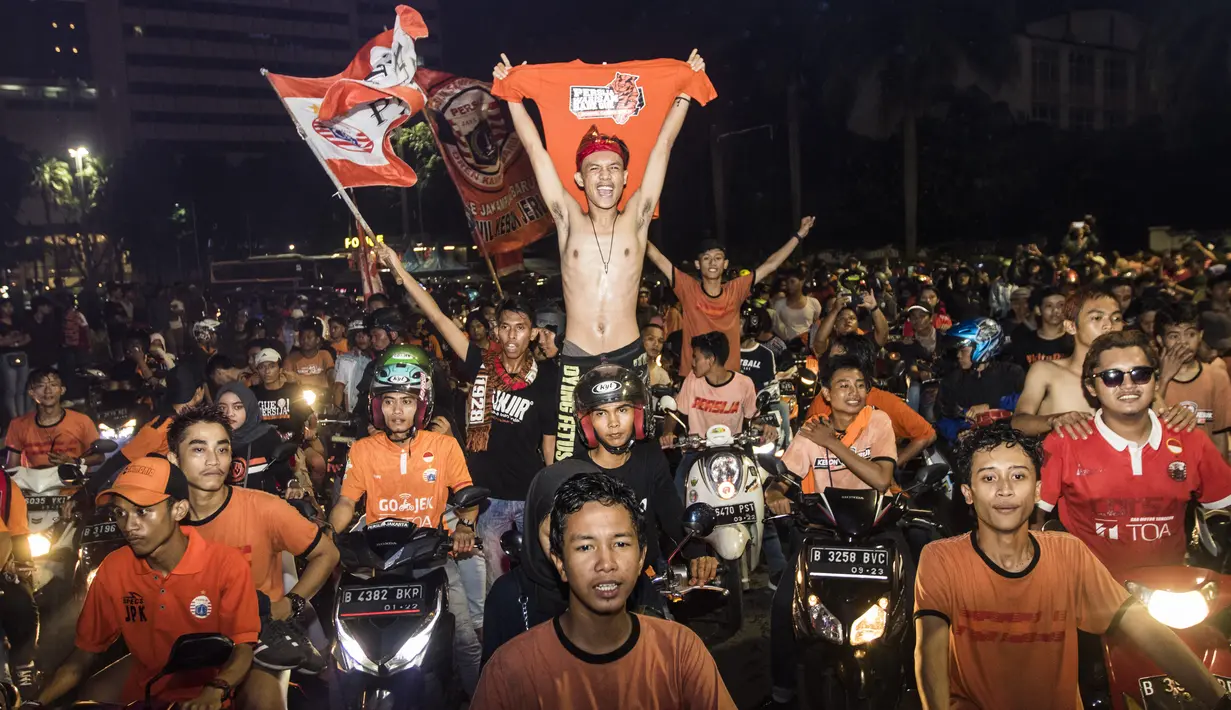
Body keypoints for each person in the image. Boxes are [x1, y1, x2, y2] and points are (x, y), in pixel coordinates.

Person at [493, 51, 712, 463]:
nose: (605, 176)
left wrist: (684, 91)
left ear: (627, 176)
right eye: (594, 169)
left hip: (630, 354)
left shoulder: (638, 219)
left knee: (641, 458)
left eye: (614, 168)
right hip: (577, 358)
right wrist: (512, 95)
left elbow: (663, 144)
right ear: (579, 178)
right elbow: (535, 149)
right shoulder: (567, 220)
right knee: (567, 459)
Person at [914, 425, 1231, 710]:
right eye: (988, 477)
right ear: (968, 494)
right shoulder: (942, 559)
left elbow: (1144, 628)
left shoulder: (1068, 554)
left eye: (1018, 475)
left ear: (1038, 490)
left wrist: (1219, 699)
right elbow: (930, 652)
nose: (1005, 489)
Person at [473, 472, 737, 709]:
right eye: (585, 547)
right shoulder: (509, 670)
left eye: (620, 543)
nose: (606, 563)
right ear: (560, 562)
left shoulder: (681, 652)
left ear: (641, 557)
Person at [375, 243, 558, 585]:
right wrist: (398, 271)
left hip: (529, 496)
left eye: (520, 327)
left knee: (539, 579)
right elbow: (438, 318)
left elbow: (550, 447)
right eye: (504, 327)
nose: (511, 335)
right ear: (496, 331)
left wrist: (551, 500)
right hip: (485, 500)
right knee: (497, 582)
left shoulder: (548, 378)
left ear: (532, 332)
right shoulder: (480, 364)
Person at [31, 457, 260, 709]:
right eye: (120, 513)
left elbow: (243, 647)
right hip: (144, 697)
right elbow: (84, 655)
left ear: (179, 510)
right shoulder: (114, 568)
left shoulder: (226, 564)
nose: (129, 526)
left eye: (142, 511)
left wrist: (216, 690)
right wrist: (36, 703)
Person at [328, 349, 483, 694]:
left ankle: (477, 699)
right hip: (377, 564)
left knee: (465, 640)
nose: (397, 411)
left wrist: (464, 527)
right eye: (389, 402)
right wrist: (326, 533)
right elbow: (346, 502)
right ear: (376, 406)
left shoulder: (444, 447)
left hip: (432, 558)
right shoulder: (363, 450)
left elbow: (467, 495)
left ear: (421, 405)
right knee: (345, 643)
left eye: (406, 402)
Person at [171, 404, 338, 705]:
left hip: (260, 642)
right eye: (199, 450)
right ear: (174, 459)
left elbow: (327, 553)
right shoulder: (162, 522)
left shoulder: (263, 508)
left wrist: (290, 604)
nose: (213, 460)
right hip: (188, 641)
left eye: (222, 450)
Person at [1037, 330, 1231, 580]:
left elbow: (1224, 507)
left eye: (1140, 374)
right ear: (1091, 387)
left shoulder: (1190, 440)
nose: (1128, 385)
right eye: (1111, 377)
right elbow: (1034, 518)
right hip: (1089, 590)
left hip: (1171, 593)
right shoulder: (1064, 443)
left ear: (1155, 381)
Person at [763, 355, 898, 707]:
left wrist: (833, 443)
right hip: (822, 534)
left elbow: (882, 479)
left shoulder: (878, 422)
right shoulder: (811, 432)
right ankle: (783, 688)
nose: (853, 392)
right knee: (783, 606)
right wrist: (775, 495)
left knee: (910, 590)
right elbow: (783, 481)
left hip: (874, 530)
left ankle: (908, 675)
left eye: (859, 385)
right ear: (826, 392)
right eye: (843, 385)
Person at [575, 364, 717, 584]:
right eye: (601, 413)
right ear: (587, 422)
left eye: (622, 410)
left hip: (646, 573)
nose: (613, 423)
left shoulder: (650, 458)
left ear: (639, 415)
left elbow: (672, 514)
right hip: (594, 577)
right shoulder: (575, 473)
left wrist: (699, 555)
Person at [644, 216, 815, 378]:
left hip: (728, 379)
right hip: (694, 378)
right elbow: (657, 257)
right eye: (706, 258)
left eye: (718, 258)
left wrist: (799, 235)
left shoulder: (736, 289)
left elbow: (771, 264)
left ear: (725, 264)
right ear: (698, 264)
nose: (712, 263)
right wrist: (634, 228)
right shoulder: (688, 288)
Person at [1012, 285, 1125, 437]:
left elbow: (1159, 416)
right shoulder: (1046, 371)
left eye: (1116, 318)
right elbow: (1018, 423)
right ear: (1071, 326)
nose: (1109, 325)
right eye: (1097, 318)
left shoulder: (1132, 374)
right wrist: (1053, 420)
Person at [809, 335, 937, 465]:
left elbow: (927, 434)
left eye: (836, 360)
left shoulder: (885, 402)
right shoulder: (822, 401)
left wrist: (891, 465)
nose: (829, 365)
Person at [1153, 303, 1231, 454]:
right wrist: (1164, 378)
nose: (1183, 342)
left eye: (1190, 334)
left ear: (1200, 335)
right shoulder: (1147, 379)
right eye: (1174, 336)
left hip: (1204, 467)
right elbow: (1147, 422)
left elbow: (1219, 434)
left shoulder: (1216, 376)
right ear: (1160, 340)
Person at [934, 319, 1025, 442]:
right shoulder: (952, 380)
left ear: (981, 347)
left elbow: (1027, 401)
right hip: (970, 447)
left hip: (1008, 441)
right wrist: (958, 432)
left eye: (963, 350)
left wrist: (991, 406)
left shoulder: (1012, 373)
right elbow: (943, 416)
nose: (958, 355)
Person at [4, 368, 102, 468]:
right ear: (32, 393)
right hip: (34, 482)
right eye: (41, 386)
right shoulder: (18, 425)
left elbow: (99, 457)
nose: (48, 391)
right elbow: (12, 467)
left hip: (73, 482)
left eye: (53, 385)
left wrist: (73, 461)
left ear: (62, 390)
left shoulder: (82, 421)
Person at [216, 383, 297, 495]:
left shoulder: (266, 436)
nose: (229, 414)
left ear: (250, 407)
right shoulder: (211, 439)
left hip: (263, 508)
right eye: (222, 408)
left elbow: (283, 472)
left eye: (237, 407)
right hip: (224, 510)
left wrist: (292, 485)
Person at [1003, 286, 1074, 370]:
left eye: (1061, 305)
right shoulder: (1024, 342)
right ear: (1038, 310)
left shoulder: (1074, 342)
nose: (1055, 310)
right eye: (1049, 306)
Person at [249, 348, 310, 441]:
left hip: (293, 443)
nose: (267, 371)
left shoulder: (293, 390)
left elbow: (309, 415)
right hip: (262, 444)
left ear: (280, 369)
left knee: (317, 455)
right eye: (262, 367)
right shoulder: (252, 393)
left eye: (272, 366)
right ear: (257, 371)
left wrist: (312, 429)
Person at [771, 268, 823, 344]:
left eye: (792, 281)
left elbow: (817, 324)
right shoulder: (779, 305)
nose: (789, 285)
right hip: (787, 346)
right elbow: (776, 327)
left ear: (802, 282)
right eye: (787, 282)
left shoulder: (813, 303)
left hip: (807, 347)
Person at [0, 298, 31, 421]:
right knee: (11, 389)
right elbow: (2, 342)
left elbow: (27, 337)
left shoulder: (18, 321)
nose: (9, 309)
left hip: (21, 354)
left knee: (21, 388)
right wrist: (16, 340)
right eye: (5, 306)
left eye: (10, 306)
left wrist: (14, 342)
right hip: (7, 357)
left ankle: (22, 416)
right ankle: (14, 417)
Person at [284, 318, 334, 392]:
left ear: (318, 339)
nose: (305, 340)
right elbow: (287, 381)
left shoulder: (325, 355)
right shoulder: (290, 359)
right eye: (302, 337)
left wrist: (298, 378)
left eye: (309, 337)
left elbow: (331, 376)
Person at [332, 318, 372, 412]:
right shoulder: (345, 360)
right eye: (357, 334)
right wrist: (337, 411)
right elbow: (339, 386)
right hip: (353, 412)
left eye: (365, 333)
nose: (361, 337)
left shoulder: (378, 359)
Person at [641, 321, 672, 388]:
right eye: (651, 339)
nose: (656, 344)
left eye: (660, 341)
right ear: (640, 341)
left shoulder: (662, 375)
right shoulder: (629, 369)